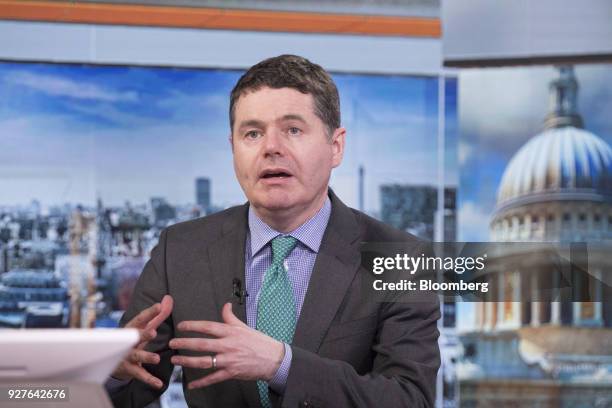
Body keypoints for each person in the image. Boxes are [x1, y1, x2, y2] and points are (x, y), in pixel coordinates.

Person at [107, 54, 440, 408]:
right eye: (252, 133)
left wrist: (281, 365)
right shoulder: (181, 249)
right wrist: (114, 370)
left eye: (293, 130)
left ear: (336, 146)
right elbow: (129, 389)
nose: (271, 148)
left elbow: (410, 399)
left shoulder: (402, 259)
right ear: (233, 148)